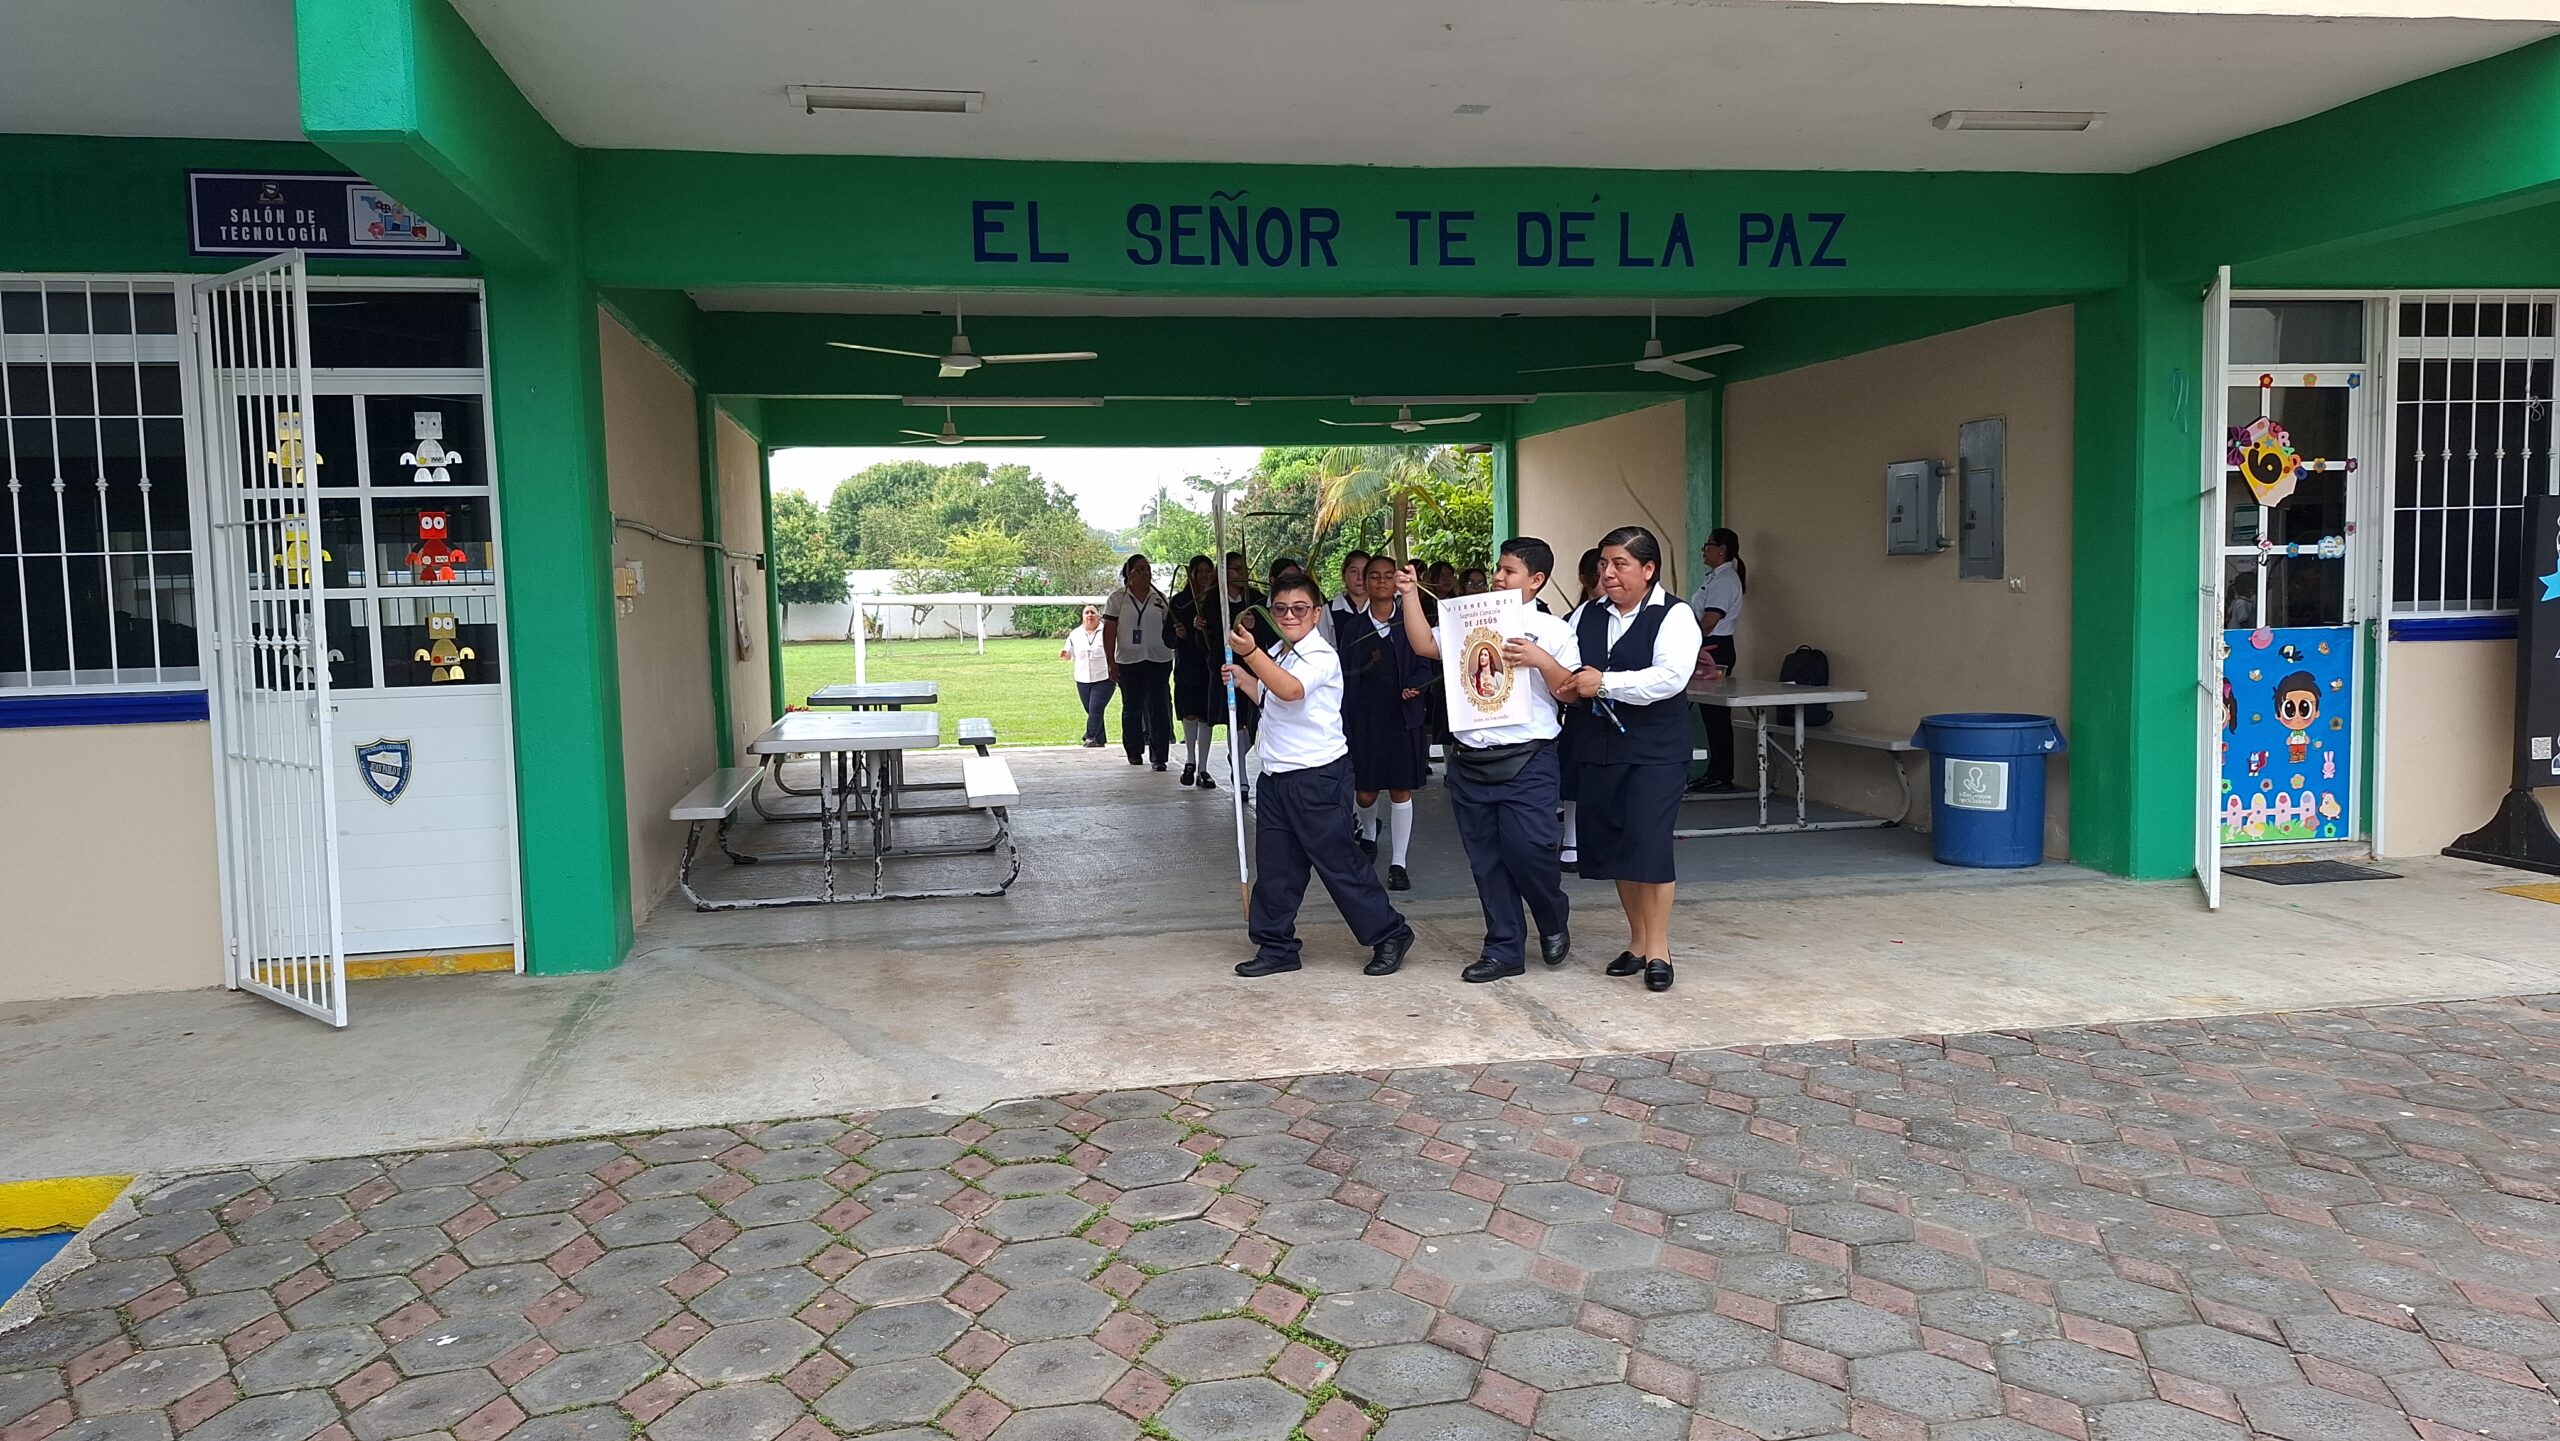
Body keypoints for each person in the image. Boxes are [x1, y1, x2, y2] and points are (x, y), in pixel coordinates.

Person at [1399, 539, 1579, 983]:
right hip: (1471, 759)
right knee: (1486, 860)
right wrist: (1409, 594)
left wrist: (1540, 660)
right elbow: (1424, 644)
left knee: (1529, 849)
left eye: (1509, 571)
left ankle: (1551, 914)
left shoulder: (1553, 630)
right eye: (1498, 568)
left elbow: (1570, 692)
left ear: (1536, 581)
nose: (1498, 577)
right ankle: (1503, 948)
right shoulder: (1469, 618)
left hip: (1528, 759)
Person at [1223, 574, 1415, 979]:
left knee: (1339, 863)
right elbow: (1272, 698)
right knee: (1276, 867)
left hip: (1316, 777)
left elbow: (1292, 691)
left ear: (1316, 613)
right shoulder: (1279, 652)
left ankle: (1390, 933)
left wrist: (1251, 656)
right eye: (1280, 609)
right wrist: (1244, 679)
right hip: (1276, 775)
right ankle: (1276, 945)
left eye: (1299, 608)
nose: (1289, 616)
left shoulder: (1320, 654)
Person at [1555, 526, 1701, 993]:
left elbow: (1670, 677)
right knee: (1618, 845)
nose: (1609, 574)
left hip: (1655, 751)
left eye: (1620, 564)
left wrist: (1606, 683)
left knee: (1649, 844)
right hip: (1599, 748)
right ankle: (1637, 942)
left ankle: (1659, 949)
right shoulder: (1586, 614)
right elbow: (1568, 666)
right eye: (1604, 564)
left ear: (1648, 569)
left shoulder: (1674, 615)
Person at [1340, 554, 1432, 891]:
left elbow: (1425, 664)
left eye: (1388, 575)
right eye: (1374, 576)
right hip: (1364, 721)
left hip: (1402, 719)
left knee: (1400, 790)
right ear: (1363, 582)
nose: (1381, 581)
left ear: (1397, 582)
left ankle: (1399, 863)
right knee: (1365, 793)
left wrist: (1416, 686)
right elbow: (1344, 676)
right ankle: (1369, 832)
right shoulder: (1353, 628)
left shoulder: (1410, 622)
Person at [1686, 528, 1749, 794]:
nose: (1704, 550)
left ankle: (1721, 773)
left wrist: (1686, 641)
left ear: (1722, 550)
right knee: (1710, 714)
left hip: (1715, 648)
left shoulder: (1725, 580)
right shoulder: (1715, 577)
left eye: (1708, 545)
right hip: (1708, 646)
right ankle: (1715, 771)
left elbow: (1711, 620)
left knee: (1716, 715)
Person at [1101, 554, 1174, 771]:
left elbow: (1169, 627)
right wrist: (1110, 661)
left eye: (1148, 568)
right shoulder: (1117, 599)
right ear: (1128, 572)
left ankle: (1159, 756)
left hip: (1158, 658)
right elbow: (1109, 632)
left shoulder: (1159, 598)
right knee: (1132, 707)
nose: (1146, 573)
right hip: (1129, 660)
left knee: (1159, 707)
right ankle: (1134, 751)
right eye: (1140, 569)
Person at [1557, 545, 1606, 867]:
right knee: (1575, 773)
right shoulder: (1573, 619)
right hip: (1581, 709)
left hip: (1618, 707)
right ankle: (1571, 840)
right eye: (1600, 575)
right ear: (1585, 579)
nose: (1608, 580)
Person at [1168, 555, 1233, 789]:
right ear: (1191, 574)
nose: (1205, 576)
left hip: (1210, 665)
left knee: (1207, 716)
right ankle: (1190, 761)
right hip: (1188, 665)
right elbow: (1168, 636)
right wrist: (1180, 633)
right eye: (1199, 572)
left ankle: (1203, 768)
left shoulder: (1218, 600)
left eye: (1208, 571)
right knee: (1190, 712)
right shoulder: (1180, 601)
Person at [1060, 604, 1113, 748]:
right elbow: (1068, 654)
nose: (1090, 615)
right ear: (1082, 617)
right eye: (1087, 613)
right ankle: (1100, 739)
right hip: (1082, 677)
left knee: (1096, 707)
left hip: (1104, 677)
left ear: (1098, 616)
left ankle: (1090, 737)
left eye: (1093, 612)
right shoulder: (1075, 634)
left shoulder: (1107, 632)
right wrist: (1064, 654)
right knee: (1091, 709)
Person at [1323, 549, 1371, 646]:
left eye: (1365, 571)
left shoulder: (1383, 605)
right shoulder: (1329, 611)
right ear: (1344, 576)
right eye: (1353, 571)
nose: (1360, 577)